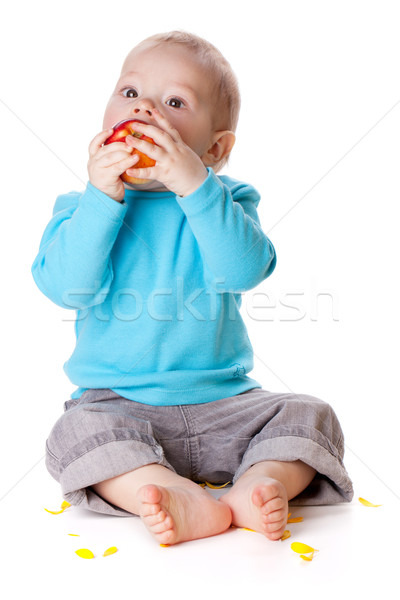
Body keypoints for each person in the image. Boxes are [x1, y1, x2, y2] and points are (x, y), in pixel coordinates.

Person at [31, 31, 353, 546]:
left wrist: (194, 185)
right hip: (119, 407)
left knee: (309, 413)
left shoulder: (226, 199)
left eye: (175, 102)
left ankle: (256, 483)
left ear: (217, 147)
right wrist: (101, 198)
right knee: (76, 433)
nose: (145, 110)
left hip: (228, 408)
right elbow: (68, 288)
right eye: (130, 93)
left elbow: (244, 270)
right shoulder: (79, 206)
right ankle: (158, 488)